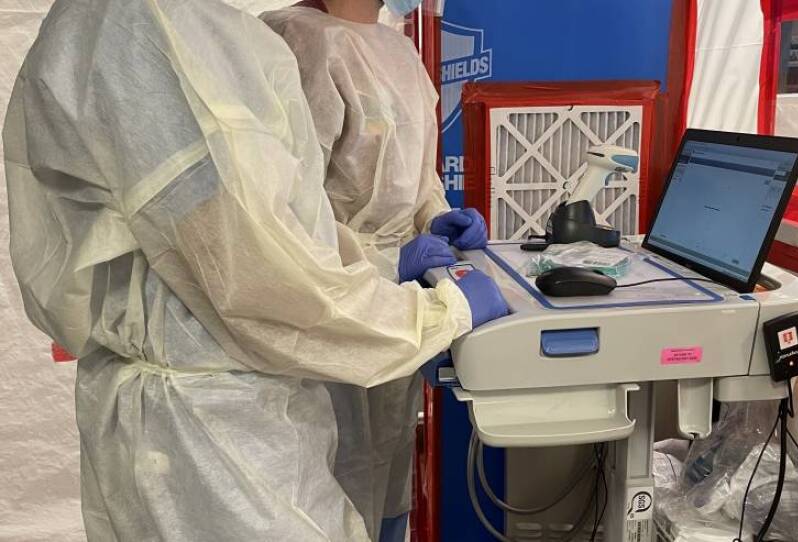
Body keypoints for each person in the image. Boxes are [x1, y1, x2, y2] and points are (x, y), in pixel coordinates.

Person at [2, 1, 508, 540]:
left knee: (373, 490)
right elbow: (255, 275)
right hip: (211, 417)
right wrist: (433, 309)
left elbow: (273, 226)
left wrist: (416, 237)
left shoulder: (192, 28)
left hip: (251, 388)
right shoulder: (149, 28)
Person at [261, 2, 491, 541]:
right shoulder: (298, 40)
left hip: (392, 304)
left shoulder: (398, 49)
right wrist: (386, 262)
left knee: (387, 461)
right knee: (336, 473)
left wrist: (434, 216)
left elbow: (414, 174)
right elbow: (286, 221)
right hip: (326, 312)